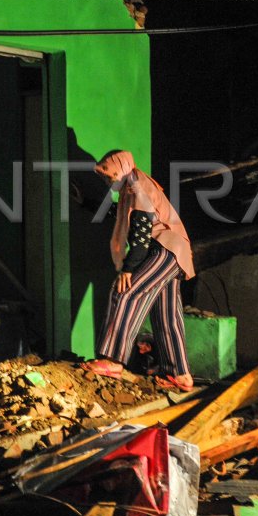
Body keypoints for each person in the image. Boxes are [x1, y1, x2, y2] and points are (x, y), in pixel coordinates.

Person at [83, 150, 196, 392]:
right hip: (175, 250)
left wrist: (128, 270)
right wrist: (87, 203)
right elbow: (127, 217)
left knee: (125, 292)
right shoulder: (133, 184)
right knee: (167, 315)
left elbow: (142, 236)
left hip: (164, 249)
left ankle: (112, 361)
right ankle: (180, 374)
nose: (107, 181)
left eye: (108, 175)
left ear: (120, 169)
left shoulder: (136, 189)